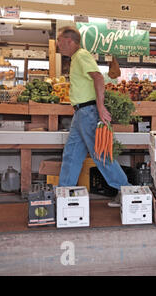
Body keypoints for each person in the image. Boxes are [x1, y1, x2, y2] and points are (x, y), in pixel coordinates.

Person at [56, 26, 130, 208]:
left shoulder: (81, 56)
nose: (58, 45)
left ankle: (125, 190)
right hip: (80, 113)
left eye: (59, 41)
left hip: (88, 111)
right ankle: (64, 193)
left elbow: (98, 77)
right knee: (72, 154)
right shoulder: (76, 58)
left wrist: (100, 106)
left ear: (69, 41)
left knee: (100, 154)